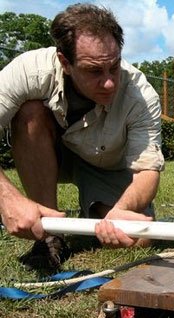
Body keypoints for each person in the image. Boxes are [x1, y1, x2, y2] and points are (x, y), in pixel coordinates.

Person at [0, 3, 164, 268]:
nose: (109, 82)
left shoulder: (140, 96)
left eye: (114, 66)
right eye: (94, 71)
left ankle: (100, 207)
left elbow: (148, 170)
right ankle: (50, 237)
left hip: (108, 166)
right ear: (65, 62)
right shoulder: (29, 71)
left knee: (135, 237)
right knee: (30, 112)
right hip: (49, 149)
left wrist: (121, 210)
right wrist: (7, 198)